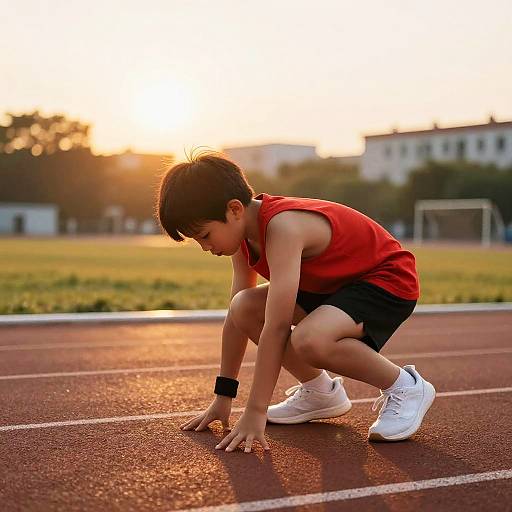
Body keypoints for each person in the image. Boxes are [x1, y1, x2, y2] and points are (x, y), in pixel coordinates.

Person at [157, 150, 435, 453]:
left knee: (310, 339)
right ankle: (320, 393)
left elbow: (276, 327)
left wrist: (255, 412)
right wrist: (223, 397)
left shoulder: (283, 227)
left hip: (385, 280)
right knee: (244, 307)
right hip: (331, 287)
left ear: (234, 210)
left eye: (205, 235)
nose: (205, 247)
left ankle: (406, 387)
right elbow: (236, 319)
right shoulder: (241, 237)